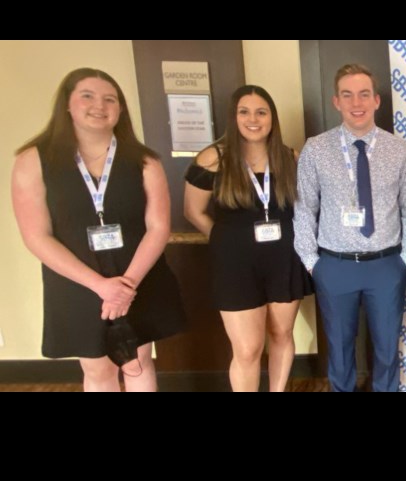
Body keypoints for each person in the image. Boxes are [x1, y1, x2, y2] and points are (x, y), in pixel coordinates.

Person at [11, 68, 185, 392]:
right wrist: (103, 287)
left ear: (120, 109)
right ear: (67, 104)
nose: (99, 105)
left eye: (110, 99)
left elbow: (158, 227)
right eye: (87, 96)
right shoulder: (34, 160)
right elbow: (36, 235)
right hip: (77, 281)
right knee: (97, 369)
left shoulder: (145, 160)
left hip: (138, 275)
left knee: (138, 361)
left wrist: (127, 285)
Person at [293, 64, 406, 392]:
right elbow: (304, 208)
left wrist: (405, 259)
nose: (356, 102)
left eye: (364, 93)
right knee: (339, 350)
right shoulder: (315, 149)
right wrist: (312, 262)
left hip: (386, 265)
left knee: (387, 349)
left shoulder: (400, 150)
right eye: (347, 95)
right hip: (334, 265)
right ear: (336, 102)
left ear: (377, 100)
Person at [184, 85, 312, 392]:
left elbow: (306, 208)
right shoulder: (213, 158)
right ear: (233, 116)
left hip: (284, 260)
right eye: (244, 112)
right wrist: (227, 240)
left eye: (261, 112)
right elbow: (193, 211)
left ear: (272, 118)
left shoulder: (289, 157)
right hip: (235, 266)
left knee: (281, 335)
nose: (253, 119)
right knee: (247, 349)